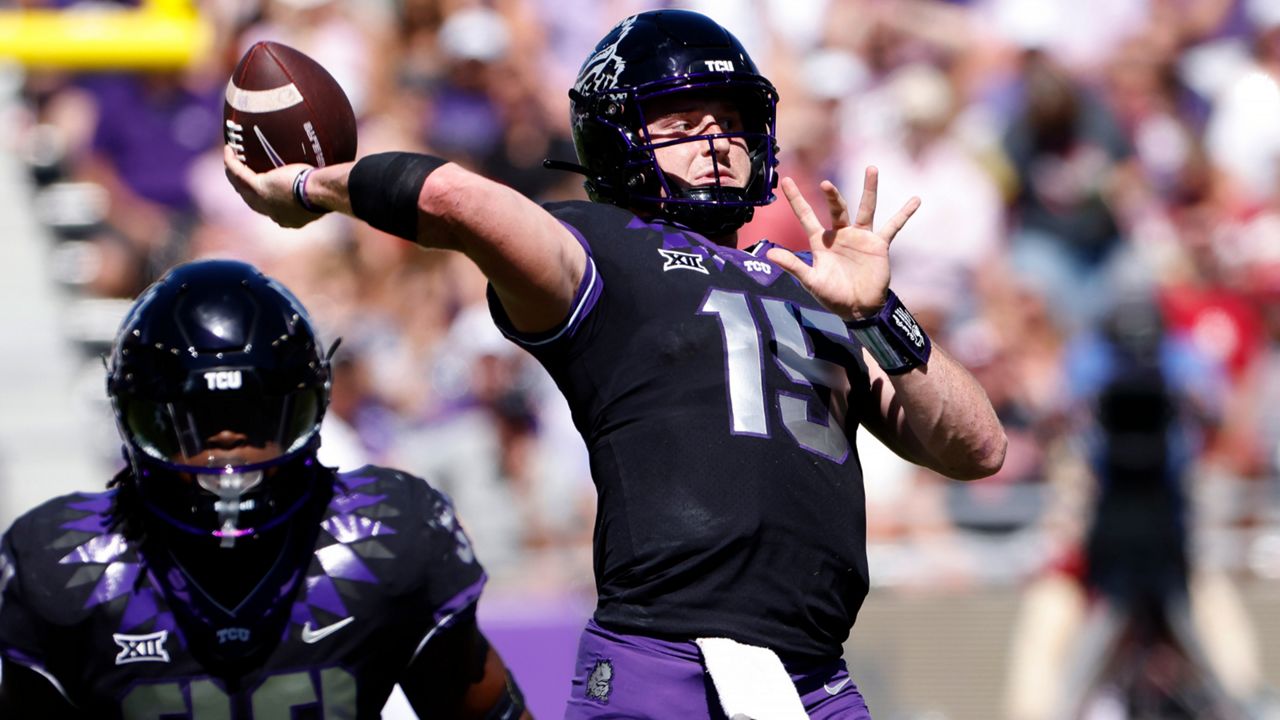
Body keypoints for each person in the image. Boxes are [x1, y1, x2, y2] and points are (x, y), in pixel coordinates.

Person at [225, 10, 1007, 717]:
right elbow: (458, 201)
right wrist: (306, 186)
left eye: (730, 121)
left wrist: (878, 315)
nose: (717, 143)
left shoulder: (813, 282)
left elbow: (976, 448)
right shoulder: (601, 249)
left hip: (817, 681)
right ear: (619, 139)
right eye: (684, 121)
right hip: (665, 665)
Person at [0, 259, 529, 719]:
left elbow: (489, 713)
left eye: (254, 418)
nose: (228, 450)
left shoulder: (392, 535)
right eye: (196, 422)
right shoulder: (59, 565)